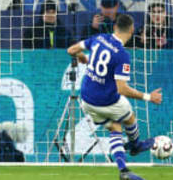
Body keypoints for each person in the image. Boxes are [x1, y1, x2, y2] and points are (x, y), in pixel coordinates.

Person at [67, 14, 161, 180]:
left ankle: (124, 171)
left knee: (115, 127)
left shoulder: (99, 38)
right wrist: (148, 97)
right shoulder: (122, 54)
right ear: (132, 30)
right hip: (106, 100)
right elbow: (122, 89)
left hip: (87, 99)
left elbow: (72, 50)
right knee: (129, 116)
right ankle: (136, 145)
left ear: (115, 27)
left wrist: (84, 59)